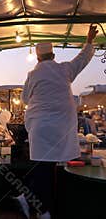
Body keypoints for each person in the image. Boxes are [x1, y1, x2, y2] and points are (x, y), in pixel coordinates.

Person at [20, 25, 98, 219]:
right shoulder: (65, 70)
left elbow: (24, 99)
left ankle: (35, 204)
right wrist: (88, 41)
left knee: (42, 168)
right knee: (47, 168)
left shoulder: (33, 74)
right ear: (53, 56)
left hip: (39, 127)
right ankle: (41, 208)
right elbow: (83, 59)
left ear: (38, 58)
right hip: (61, 128)